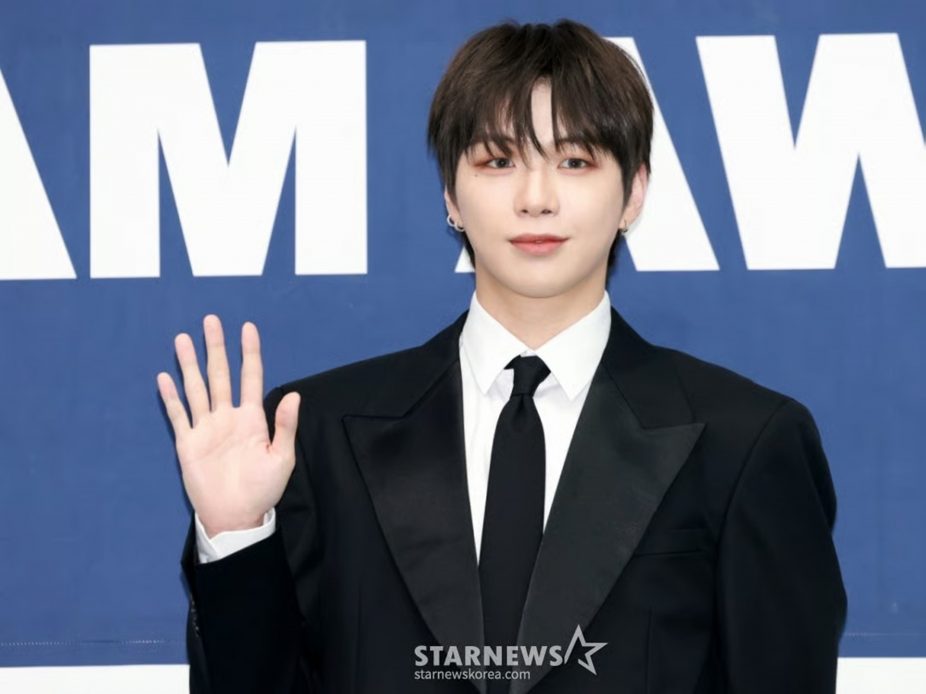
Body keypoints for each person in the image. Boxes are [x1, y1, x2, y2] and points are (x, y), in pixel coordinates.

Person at [157, 18, 846, 694]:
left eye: (575, 161)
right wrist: (235, 537)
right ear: (451, 195)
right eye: (498, 161)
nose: (535, 199)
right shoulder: (315, 436)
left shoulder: (744, 444)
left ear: (634, 192)